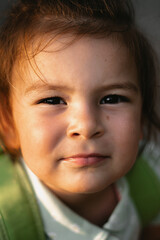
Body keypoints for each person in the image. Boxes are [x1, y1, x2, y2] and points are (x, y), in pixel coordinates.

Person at [0, 0, 160, 239]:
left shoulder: (152, 178)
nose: (86, 126)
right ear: (9, 124)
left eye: (112, 98)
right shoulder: (6, 219)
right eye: (53, 101)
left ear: (142, 117)